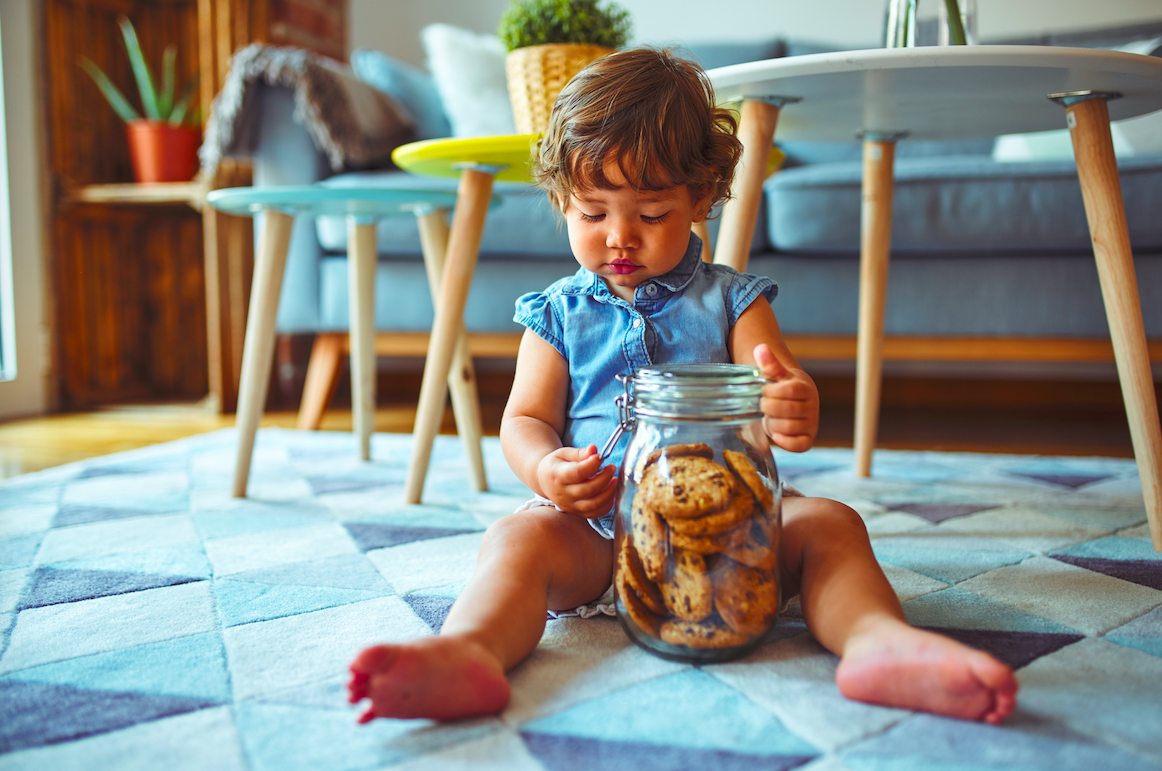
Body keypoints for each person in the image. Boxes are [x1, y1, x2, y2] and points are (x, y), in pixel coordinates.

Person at [348, 46, 1018, 725]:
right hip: (596, 538)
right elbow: (525, 421)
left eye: (651, 214)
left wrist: (791, 405)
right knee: (514, 541)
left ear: (700, 198)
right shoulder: (556, 314)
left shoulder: (734, 301)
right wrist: (547, 470)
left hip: (734, 538)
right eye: (593, 213)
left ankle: (878, 641)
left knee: (832, 525)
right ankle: (470, 649)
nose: (620, 237)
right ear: (560, 200)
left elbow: (781, 389)